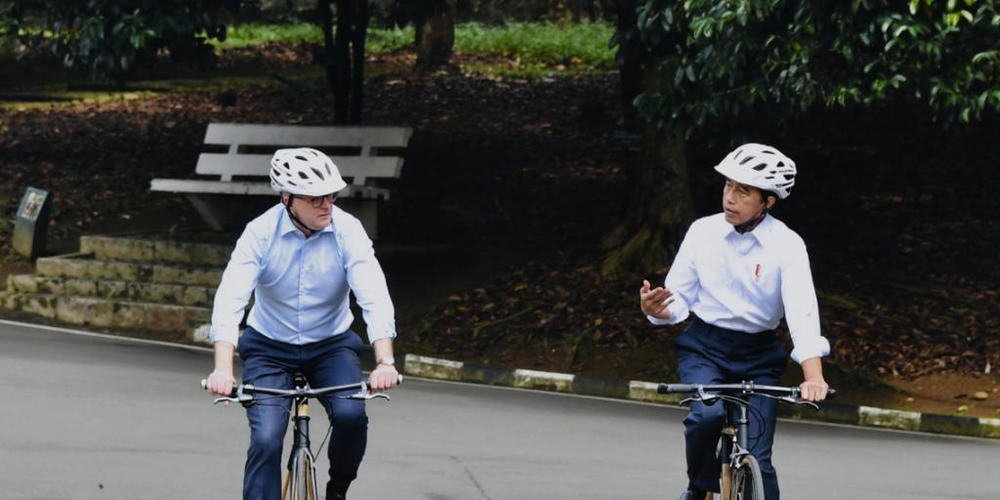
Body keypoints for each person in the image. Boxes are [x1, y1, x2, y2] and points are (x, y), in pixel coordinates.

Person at [204, 147, 399, 500]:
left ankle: (338, 489)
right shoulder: (259, 233)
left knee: (351, 416)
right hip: (269, 346)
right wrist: (222, 369)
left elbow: (373, 293)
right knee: (266, 439)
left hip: (331, 345)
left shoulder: (348, 231)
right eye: (316, 198)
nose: (327, 204)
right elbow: (231, 298)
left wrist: (385, 360)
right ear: (288, 199)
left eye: (332, 195)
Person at [639, 143, 830, 500]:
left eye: (744, 191)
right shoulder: (702, 232)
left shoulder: (788, 245)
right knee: (705, 417)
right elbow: (678, 300)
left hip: (759, 355)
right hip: (704, 348)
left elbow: (802, 311)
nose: (730, 197)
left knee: (760, 459)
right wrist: (656, 309)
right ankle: (699, 487)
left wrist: (813, 376)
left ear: (768, 202)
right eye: (728, 185)